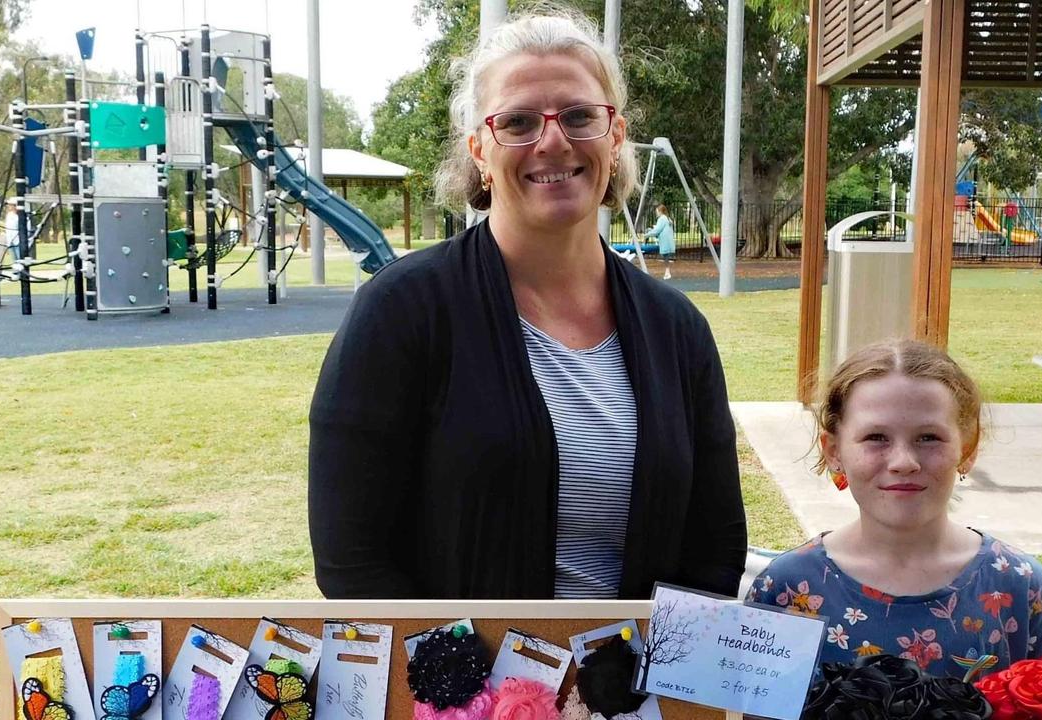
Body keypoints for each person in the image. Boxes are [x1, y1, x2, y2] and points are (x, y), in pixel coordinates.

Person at [307, 10, 747, 600]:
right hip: (461, 685)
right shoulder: (402, 312)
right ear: (480, 153)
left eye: (579, 115)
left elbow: (713, 549)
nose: (554, 140)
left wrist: (646, 682)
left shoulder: (677, 329)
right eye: (517, 122)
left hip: (636, 686)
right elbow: (352, 562)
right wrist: (465, 687)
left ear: (614, 138)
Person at [747, 340, 1042, 680]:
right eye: (876, 437)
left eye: (928, 437)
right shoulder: (786, 590)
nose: (903, 461)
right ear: (833, 450)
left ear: (967, 447)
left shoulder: (1020, 588)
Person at [644, 203, 676, 279]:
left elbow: (657, 230)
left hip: (665, 241)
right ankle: (667, 272)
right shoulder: (667, 219)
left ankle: (667, 273)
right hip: (668, 240)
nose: (656, 213)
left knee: (666, 257)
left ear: (660, 211)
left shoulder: (661, 219)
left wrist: (647, 235)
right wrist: (651, 231)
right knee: (666, 257)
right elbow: (659, 230)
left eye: (657, 211)